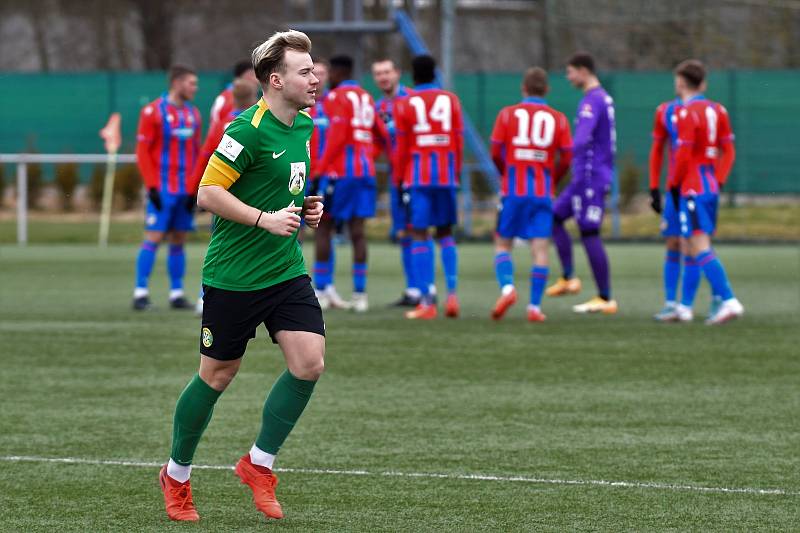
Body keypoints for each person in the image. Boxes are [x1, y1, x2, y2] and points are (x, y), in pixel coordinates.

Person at [158, 30, 326, 522]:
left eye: (313, 69)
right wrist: (263, 219)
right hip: (234, 277)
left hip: (285, 271)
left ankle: (258, 464)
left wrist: (303, 208)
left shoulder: (305, 126)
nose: (315, 78)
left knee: (309, 363)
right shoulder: (245, 131)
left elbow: (283, 189)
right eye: (305, 71)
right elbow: (208, 194)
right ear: (276, 81)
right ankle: (176, 474)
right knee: (217, 375)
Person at [489, 67, 573, 322]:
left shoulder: (507, 115)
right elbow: (567, 156)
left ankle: (508, 288)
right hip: (542, 191)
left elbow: (495, 151)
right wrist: (552, 179)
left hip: (513, 190)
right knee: (540, 248)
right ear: (546, 90)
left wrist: (506, 172)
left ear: (523, 89)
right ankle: (534, 307)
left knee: (503, 243)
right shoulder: (558, 119)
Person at [311, 55, 388, 312]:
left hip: (339, 174)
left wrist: (319, 170)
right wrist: (367, 155)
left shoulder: (335, 98)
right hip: (365, 173)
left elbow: (337, 137)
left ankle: (320, 290)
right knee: (358, 232)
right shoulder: (366, 97)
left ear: (336, 73)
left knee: (324, 227)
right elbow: (383, 136)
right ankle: (360, 294)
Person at [671, 59, 743, 324]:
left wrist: (673, 186)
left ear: (680, 82)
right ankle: (685, 307)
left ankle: (729, 300)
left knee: (699, 245)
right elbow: (730, 151)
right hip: (710, 185)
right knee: (690, 245)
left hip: (691, 186)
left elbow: (683, 155)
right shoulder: (718, 110)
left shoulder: (687, 112)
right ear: (702, 83)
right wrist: (719, 180)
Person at [546, 52, 618, 314]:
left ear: (584, 71)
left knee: (589, 231)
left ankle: (605, 297)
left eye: (570, 72)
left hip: (590, 177)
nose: (568, 77)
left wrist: (556, 152)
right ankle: (568, 277)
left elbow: (580, 140)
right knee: (553, 216)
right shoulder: (601, 98)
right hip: (584, 177)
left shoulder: (592, 101)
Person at [394, 54, 464, 320]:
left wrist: (400, 179)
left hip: (418, 176)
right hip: (446, 175)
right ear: (435, 73)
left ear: (413, 75)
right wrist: (454, 173)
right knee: (446, 233)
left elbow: (401, 147)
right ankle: (453, 294)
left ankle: (427, 301)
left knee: (420, 234)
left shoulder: (406, 103)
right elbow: (458, 140)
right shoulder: (451, 100)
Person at [133, 65, 202, 310]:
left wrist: (194, 188)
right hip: (162, 187)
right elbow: (142, 151)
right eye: (191, 83)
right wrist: (151, 187)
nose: (195, 88)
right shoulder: (153, 111)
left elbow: (197, 153)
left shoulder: (193, 114)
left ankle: (176, 293)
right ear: (177, 83)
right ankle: (140, 292)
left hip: (185, 189)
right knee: (153, 237)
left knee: (179, 239)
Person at [189, 79, 261, 315]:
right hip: (252, 195)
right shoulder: (254, 123)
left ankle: (204, 296)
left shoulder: (221, 123)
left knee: (220, 244)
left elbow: (206, 153)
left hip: (223, 197)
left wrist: (194, 187)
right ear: (253, 97)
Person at [372, 58, 417, 307]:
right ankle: (413, 290)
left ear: (398, 73)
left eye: (387, 71)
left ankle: (425, 289)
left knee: (418, 229)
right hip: (395, 176)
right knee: (403, 232)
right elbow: (377, 142)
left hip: (415, 174)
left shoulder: (412, 100)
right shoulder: (379, 107)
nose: (383, 77)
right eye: (378, 73)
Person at [308, 59, 350, 310]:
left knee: (326, 228)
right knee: (292, 231)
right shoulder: (300, 106)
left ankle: (325, 286)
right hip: (299, 176)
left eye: (322, 72)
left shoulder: (334, 104)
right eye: (314, 72)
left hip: (326, 177)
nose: (319, 77)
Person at [649, 97, 694, 321]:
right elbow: (657, 150)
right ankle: (670, 303)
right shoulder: (665, 110)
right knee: (673, 241)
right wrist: (654, 187)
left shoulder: (705, 111)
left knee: (693, 243)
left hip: (694, 188)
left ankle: (689, 304)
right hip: (673, 188)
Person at [209, 60, 259, 129]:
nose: (256, 80)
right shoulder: (223, 99)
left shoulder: (259, 100)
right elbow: (215, 128)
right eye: (251, 75)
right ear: (239, 77)